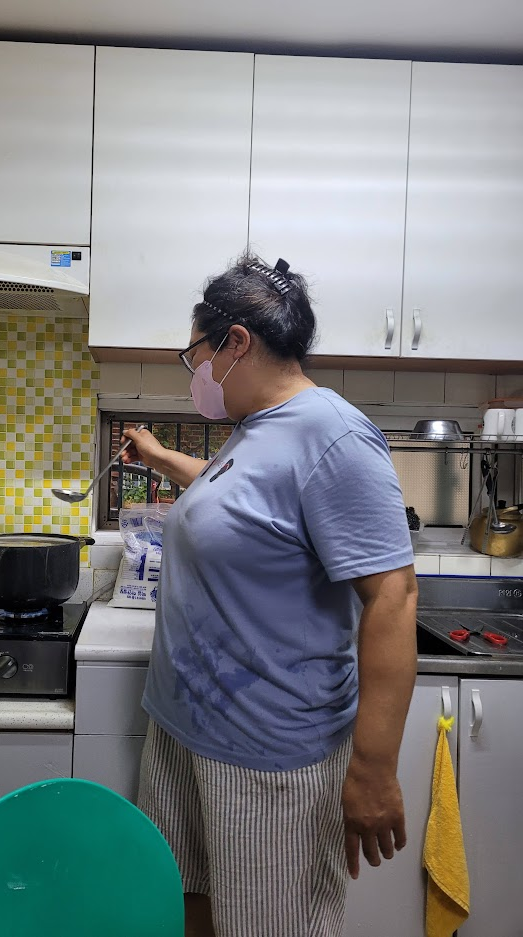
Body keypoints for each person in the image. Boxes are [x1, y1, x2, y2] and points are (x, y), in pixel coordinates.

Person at [120, 252, 417, 937]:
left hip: (265, 755)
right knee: (184, 909)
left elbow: (394, 596)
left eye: (195, 352)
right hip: (184, 732)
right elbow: (243, 502)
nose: (194, 370)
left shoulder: (333, 434)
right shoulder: (257, 427)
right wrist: (162, 458)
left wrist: (374, 768)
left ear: (235, 343)